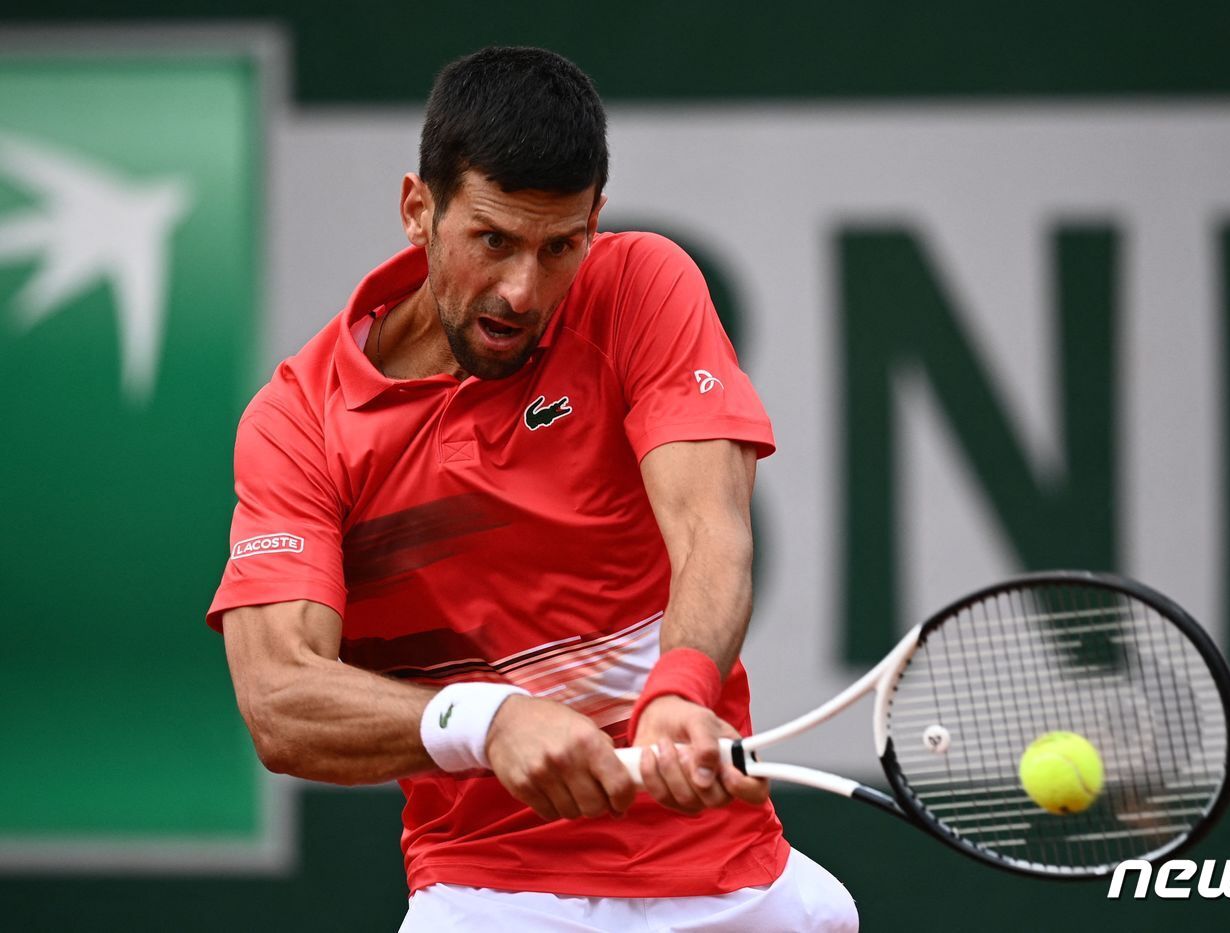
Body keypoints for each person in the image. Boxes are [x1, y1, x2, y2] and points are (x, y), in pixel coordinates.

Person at [207, 47, 857, 931]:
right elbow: (281, 701)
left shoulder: (639, 286)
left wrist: (680, 684)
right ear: (417, 210)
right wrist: (490, 719)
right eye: (493, 240)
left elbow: (711, 529)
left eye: (560, 247)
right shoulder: (300, 425)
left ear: (595, 221)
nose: (522, 288)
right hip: (487, 895)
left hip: (732, 884)